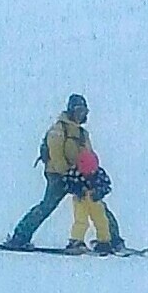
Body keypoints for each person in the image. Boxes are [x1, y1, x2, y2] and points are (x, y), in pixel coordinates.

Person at [6, 94, 123, 250]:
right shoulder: (58, 129)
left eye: (83, 111)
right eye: (78, 110)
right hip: (58, 176)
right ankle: (19, 237)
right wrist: (69, 177)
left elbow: (89, 155)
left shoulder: (82, 134)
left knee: (97, 204)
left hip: (80, 176)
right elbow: (56, 157)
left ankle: (112, 240)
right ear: (71, 110)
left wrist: (89, 174)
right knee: (47, 205)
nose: (81, 114)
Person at [64, 149, 115, 254]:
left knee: (101, 220)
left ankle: (104, 241)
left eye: (91, 172)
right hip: (80, 200)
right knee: (81, 221)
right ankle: (76, 240)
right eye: (86, 173)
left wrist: (99, 192)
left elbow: (107, 186)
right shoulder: (74, 172)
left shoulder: (99, 173)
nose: (89, 175)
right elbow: (68, 184)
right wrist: (78, 190)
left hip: (95, 200)